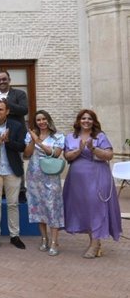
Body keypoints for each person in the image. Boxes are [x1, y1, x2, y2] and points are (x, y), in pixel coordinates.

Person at [63, 109, 121, 258]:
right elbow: (67, 156)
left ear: (94, 121)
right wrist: (79, 150)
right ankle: (94, 241)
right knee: (85, 210)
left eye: (89, 119)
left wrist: (93, 149)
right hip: (77, 181)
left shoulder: (100, 136)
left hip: (97, 177)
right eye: (83, 118)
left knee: (96, 207)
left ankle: (94, 244)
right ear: (78, 121)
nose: (86, 121)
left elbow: (109, 155)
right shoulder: (71, 137)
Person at [0, 100, 26, 249]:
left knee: (13, 203)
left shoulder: (17, 126)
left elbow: (22, 146)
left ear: (7, 111)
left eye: (1, 109)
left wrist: (7, 142)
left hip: (11, 170)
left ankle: (15, 235)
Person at [24, 110, 65, 256]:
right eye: (38, 120)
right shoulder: (30, 135)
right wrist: (32, 140)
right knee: (38, 207)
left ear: (48, 120)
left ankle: (54, 241)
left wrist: (38, 142)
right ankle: (44, 238)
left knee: (52, 207)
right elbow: (27, 154)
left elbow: (55, 154)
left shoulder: (58, 136)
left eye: (44, 119)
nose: (41, 122)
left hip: (51, 176)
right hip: (34, 176)